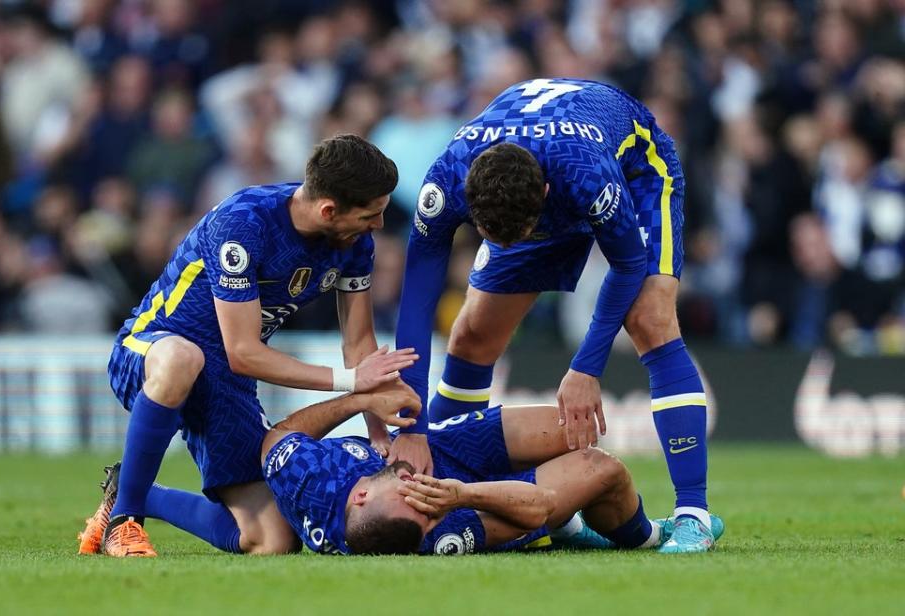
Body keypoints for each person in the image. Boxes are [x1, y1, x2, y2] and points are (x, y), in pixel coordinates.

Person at [394, 78, 716, 552]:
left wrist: (586, 367)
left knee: (650, 318)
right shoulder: (446, 180)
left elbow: (627, 264)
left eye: (520, 234)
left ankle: (694, 516)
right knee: (471, 336)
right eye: (491, 236)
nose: (509, 247)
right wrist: (411, 430)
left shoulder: (585, 173)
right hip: (533, 173)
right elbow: (416, 307)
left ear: (543, 196)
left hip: (634, 170)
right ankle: (448, 489)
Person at [78, 135, 418, 557]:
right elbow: (243, 352)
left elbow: (359, 342)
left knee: (271, 541)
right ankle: (125, 522)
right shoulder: (244, 224)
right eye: (371, 214)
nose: (378, 226)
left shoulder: (354, 244)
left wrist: (378, 431)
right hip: (151, 348)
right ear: (329, 210)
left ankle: (132, 491)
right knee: (185, 357)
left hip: (224, 383)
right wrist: (348, 381)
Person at [262, 392, 725, 556]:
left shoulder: (308, 480)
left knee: (575, 427)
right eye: (424, 509)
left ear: (360, 496)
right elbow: (536, 507)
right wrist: (460, 495)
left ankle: (573, 529)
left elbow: (276, 435)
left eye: (411, 494)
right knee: (598, 467)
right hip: (474, 498)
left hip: (444, 446)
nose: (421, 492)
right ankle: (650, 535)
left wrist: (358, 400)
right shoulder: (437, 526)